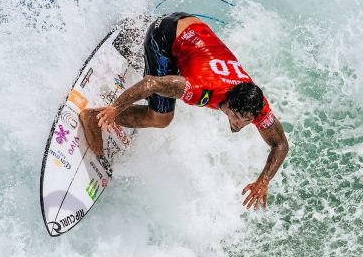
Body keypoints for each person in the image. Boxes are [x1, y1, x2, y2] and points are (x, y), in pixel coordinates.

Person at [82, 12, 289, 209]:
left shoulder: (257, 105)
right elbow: (151, 83)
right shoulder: (202, 90)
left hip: (190, 25)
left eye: (246, 121)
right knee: (161, 118)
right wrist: (115, 108)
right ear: (227, 102)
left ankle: (135, 41)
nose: (239, 124)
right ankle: (93, 117)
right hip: (164, 34)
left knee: (177, 73)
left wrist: (263, 181)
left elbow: (280, 144)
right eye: (236, 117)